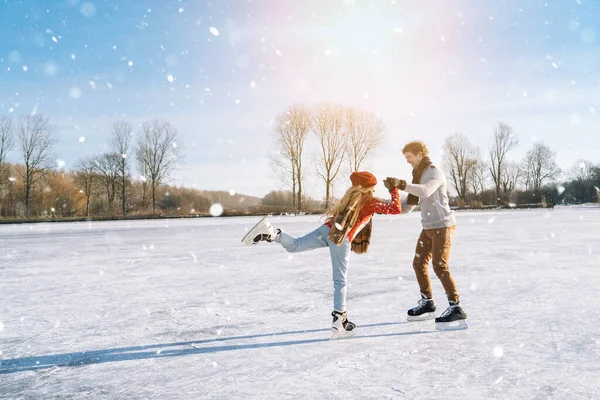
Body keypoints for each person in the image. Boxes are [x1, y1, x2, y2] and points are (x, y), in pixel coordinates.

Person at [242, 171, 402, 338]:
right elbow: (395, 208)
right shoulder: (369, 201)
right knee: (340, 281)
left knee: (296, 245)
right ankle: (340, 320)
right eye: (372, 187)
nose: (374, 191)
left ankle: (272, 233)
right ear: (366, 188)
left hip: (328, 230)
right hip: (340, 238)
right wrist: (394, 190)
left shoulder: (350, 197)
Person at [384, 141, 467, 328]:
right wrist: (392, 195)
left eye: (410, 157)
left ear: (420, 154)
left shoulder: (433, 171)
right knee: (418, 263)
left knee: (439, 265)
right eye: (406, 158)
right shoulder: (418, 174)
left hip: (443, 226)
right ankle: (428, 302)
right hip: (428, 227)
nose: (408, 161)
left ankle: (456, 307)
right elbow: (407, 207)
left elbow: (426, 190)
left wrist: (402, 184)